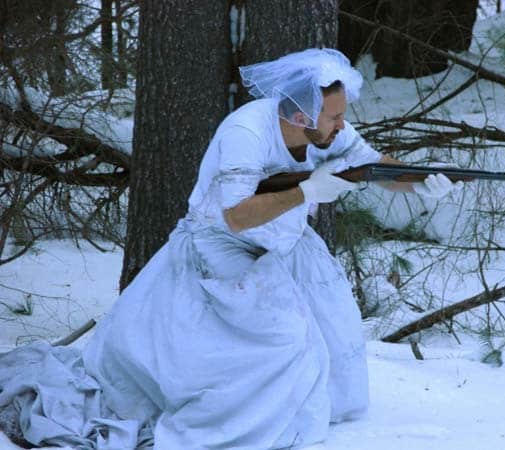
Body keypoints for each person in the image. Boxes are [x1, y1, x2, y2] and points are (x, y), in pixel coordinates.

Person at [0, 49, 460, 450]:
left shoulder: (327, 131)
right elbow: (235, 215)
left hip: (282, 246)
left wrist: (421, 181)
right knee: (275, 343)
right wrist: (307, 194)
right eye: (335, 116)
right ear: (301, 115)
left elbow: (371, 164)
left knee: (325, 328)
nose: (342, 125)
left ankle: (302, 411)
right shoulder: (245, 132)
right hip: (218, 252)